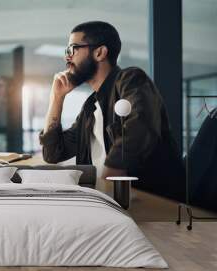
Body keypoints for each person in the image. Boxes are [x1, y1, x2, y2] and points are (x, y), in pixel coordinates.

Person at [39, 21, 185, 200]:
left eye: (72, 49)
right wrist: (57, 98)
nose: (67, 58)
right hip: (107, 201)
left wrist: (107, 186)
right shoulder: (89, 109)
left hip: (152, 206)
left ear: (99, 52)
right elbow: (52, 154)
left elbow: (139, 127)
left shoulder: (130, 79)